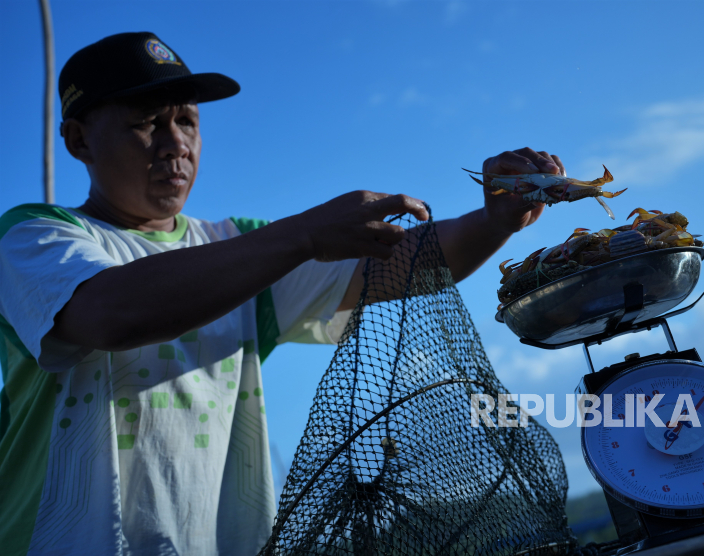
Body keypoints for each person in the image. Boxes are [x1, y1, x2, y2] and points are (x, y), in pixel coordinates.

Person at [0, 32, 565, 556]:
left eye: (188, 121)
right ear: (78, 140)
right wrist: (302, 235)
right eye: (146, 123)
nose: (176, 144)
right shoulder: (34, 236)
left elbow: (406, 261)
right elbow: (111, 313)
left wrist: (494, 219)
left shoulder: (241, 247)